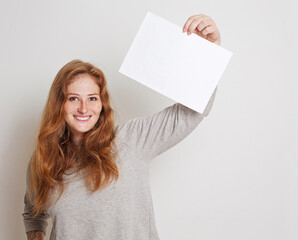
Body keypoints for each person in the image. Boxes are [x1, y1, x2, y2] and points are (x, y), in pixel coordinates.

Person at [22, 14, 221, 240]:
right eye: (73, 98)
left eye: (93, 98)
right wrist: (35, 234)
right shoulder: (43, 159)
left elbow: (192, 112)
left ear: (102, 104)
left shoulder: (132, 140)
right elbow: (32, 209)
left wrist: (208, 53)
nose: (84, 108)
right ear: (60, 104)